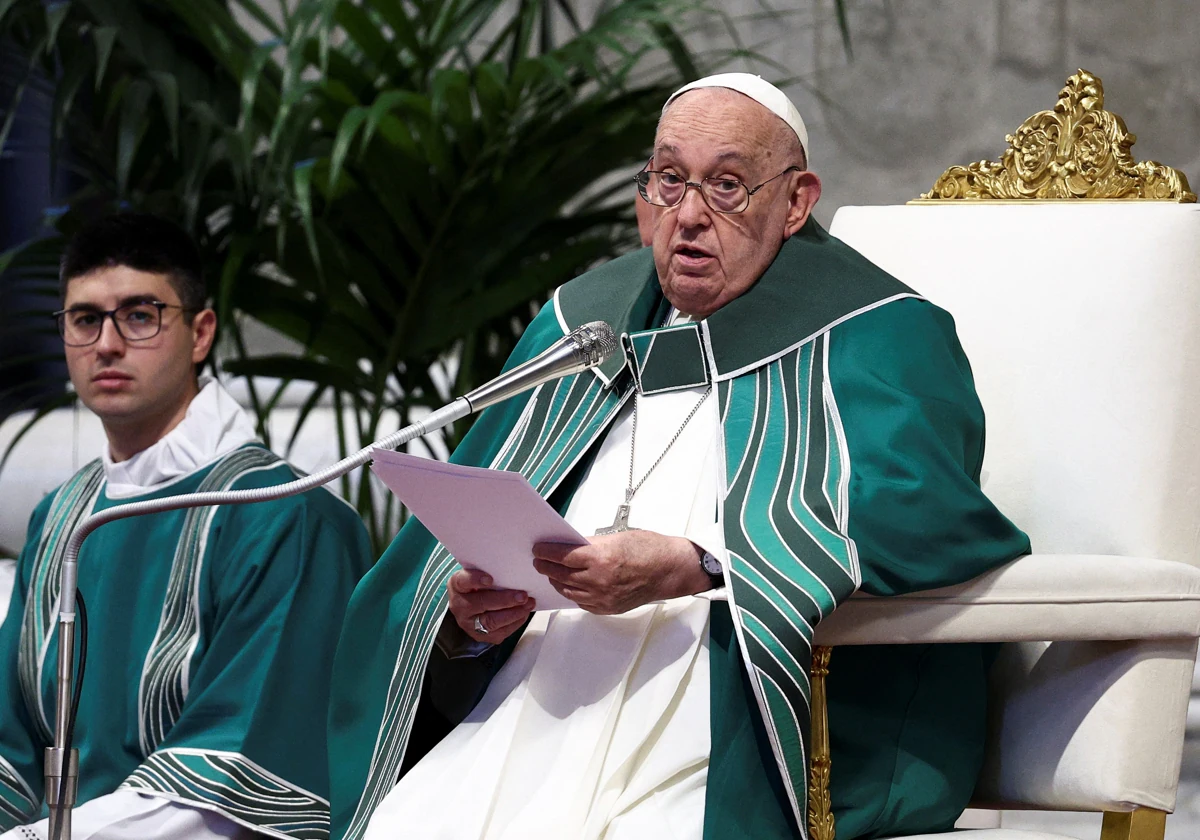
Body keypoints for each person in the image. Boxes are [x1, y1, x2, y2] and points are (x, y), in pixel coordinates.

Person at [327, 74, 1031, 840]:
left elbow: (934, 519)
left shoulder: (878, 332)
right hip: (529, 708)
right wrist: (466, 623)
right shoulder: (581, 324)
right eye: (668, 179)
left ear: (796, 202)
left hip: (734, 717)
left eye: (727, 185)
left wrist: (700, 564)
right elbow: (441, 556)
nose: (688, 216)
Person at [0, 213, 374, 839]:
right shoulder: (61, 518)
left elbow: (237, 783)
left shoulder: (285, 516)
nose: (107, 345)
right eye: (85, 319)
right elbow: (11, 746)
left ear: (201, 333)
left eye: (140, 315)